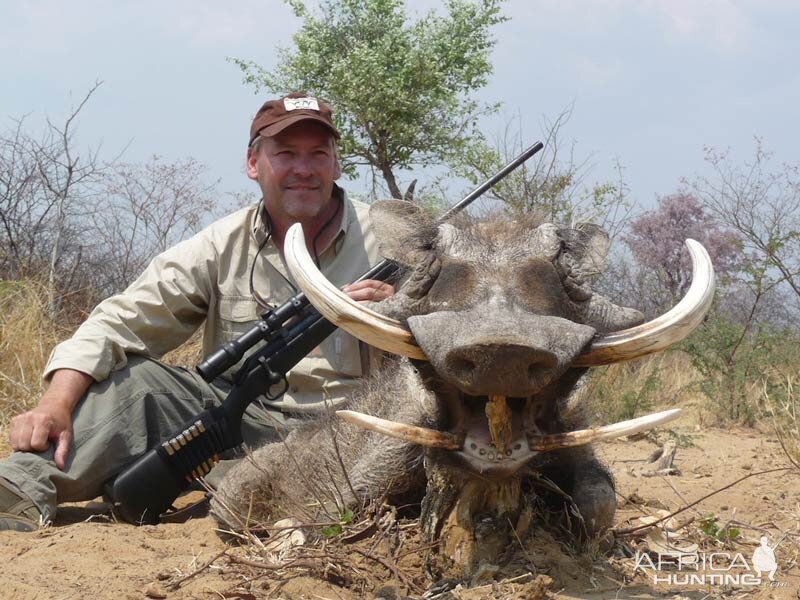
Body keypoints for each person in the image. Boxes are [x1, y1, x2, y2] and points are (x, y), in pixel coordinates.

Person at [0, 93, 393, 532]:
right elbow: (117, 322)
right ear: (253, 163)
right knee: (141, 383)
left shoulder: (391, 239)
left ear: (336, 165)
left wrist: (393, 316)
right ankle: (15, 493)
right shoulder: (220, 243)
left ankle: (239, 486)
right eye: (285, 153)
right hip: (245, 419)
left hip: (354, 428)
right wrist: (53, 404)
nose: (303, 168)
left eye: (318, 154)